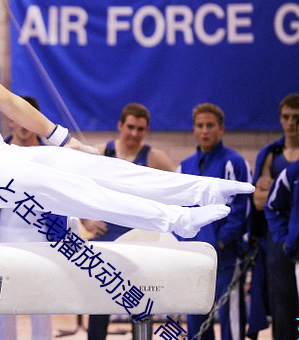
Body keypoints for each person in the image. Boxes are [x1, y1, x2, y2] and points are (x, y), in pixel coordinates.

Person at [0, 20, 253, 253]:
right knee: (81, 193)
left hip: (9, 154)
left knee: (101, 168)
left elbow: (11, 103)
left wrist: (62, 139)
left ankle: (200, 190)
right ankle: (174, 220)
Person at [0, 96, 60, 340]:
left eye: (27, 119)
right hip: (2, 239)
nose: (22, 124)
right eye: (17, 118)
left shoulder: (50, 157)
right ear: (10, 120)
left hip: (42, 240)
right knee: (4, 306)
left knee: (42, 306)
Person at [84, 102, 175, 340]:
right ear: (120, 126)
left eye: (140, 129)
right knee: (100, 301)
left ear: (146, 131)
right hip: (106, 236)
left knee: (140, 299)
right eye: (130, 127)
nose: (134, 134)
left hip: (140, 240)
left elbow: (178, 192)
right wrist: (86, 219)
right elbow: (74, 189)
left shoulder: (154, 158)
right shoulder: (100, 152)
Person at [176, 103, 251, 340]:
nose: (205, 131)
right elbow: (177, 209)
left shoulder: (234, 163)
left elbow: (241, 209)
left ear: (221, 129)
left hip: (225, 257)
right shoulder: (184, 167)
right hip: (195, 259)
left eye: (210, 125)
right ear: (194, 130)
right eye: (200, 126)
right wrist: (184, 243)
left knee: (231, 320)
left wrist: (221, 242)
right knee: (196, 322)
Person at [249, 93, 299, 340]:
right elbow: (258, 203)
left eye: (296, 118)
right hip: (278, 238)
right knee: (282, 304)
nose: (291, 123)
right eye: (286, 117)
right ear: (280, 119)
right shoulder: (271, 154)